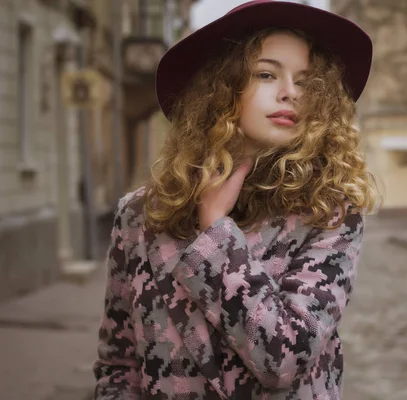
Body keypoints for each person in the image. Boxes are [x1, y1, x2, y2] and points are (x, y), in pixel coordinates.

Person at [93, 1, 380, 398]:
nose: (290, 93)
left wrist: (215, 230)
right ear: (222, 89)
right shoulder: (141, 215)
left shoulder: (329, 215)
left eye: (306, 81)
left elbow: (285, 360)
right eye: (266, 74)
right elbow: (118, 365)